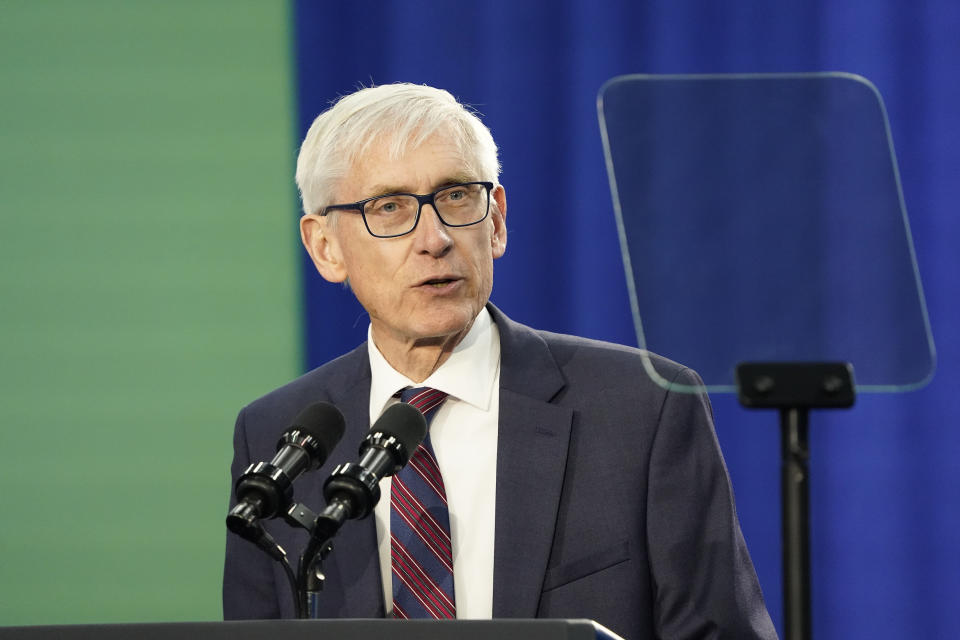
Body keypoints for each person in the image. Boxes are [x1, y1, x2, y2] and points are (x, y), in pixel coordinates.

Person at [223, 83, 777, 639]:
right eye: (389, 207)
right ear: (326, 247)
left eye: (457, 197)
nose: (434, 238)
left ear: (497, 221)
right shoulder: (275, 436)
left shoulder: (641, 409)